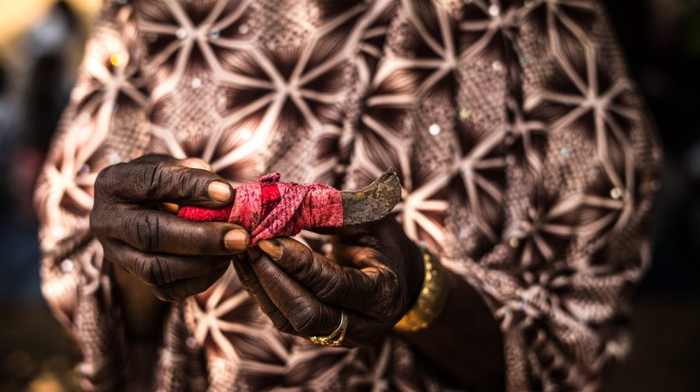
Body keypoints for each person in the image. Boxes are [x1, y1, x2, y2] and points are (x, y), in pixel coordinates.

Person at [35, 0, 661, 391]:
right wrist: (146, 253)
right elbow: (91, 283)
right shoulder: (154, 14)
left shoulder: (534, 22)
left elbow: (577, 332)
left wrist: (418, 291)